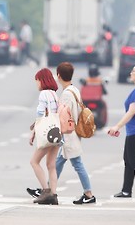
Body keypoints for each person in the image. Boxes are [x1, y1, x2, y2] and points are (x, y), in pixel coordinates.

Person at [108, 61, 135, 197]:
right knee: (128, 160)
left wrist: (117, 126)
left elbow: (132, 111)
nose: (131, 73)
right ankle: (126, 190)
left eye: (133, 71)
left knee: (134, 161)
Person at [56, 61, 96, 205]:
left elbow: (65, 116)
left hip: (69, 133)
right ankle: (47, 188)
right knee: (58, 162)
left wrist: (60, 132)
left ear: (58, 75)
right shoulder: (74, 90)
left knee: (77, 163)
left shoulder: (66, 94)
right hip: (72, 133)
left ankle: (89, 193)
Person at [28, 67, 60, 205]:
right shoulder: (54, 94)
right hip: (56, 133)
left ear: (42, 80)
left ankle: (46, 191)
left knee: (34, 162)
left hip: (47, 133)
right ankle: (54, 194)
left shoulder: (43, 94)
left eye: (37, 81)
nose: (36, 84)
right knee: (51, 165)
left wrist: (33, 132)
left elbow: (41, 114)